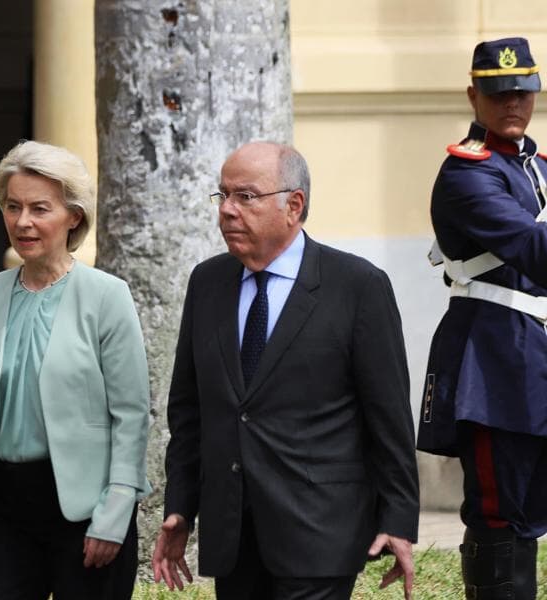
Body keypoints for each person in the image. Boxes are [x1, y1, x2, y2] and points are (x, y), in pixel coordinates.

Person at [152, 142, 420, 600]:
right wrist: (181, 508)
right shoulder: (208, 283)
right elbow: (190, 412)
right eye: (223, 196)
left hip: (320, 530)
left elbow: (388, 415)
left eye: (245, 197)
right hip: (234, 534)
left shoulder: (357, 286)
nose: (228, 211)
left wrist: (398, 518)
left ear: (293, 205)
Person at [0, 140, 151, 599]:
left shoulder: (107, 296)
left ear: (73, 216)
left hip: (86, 510)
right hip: (9, 507)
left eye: (39, 208)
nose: (23, 222)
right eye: (13, 207)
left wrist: (113, 515)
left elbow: (132, 417)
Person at [417, 37, 547, 600]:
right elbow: (533, 249)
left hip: (535, 353)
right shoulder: (467, 174)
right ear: (474, 96)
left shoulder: (536, 168)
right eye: (498, 94)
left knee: (533, 508)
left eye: (522, 93)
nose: (512, 104)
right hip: (494, 362)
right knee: (500, 512)